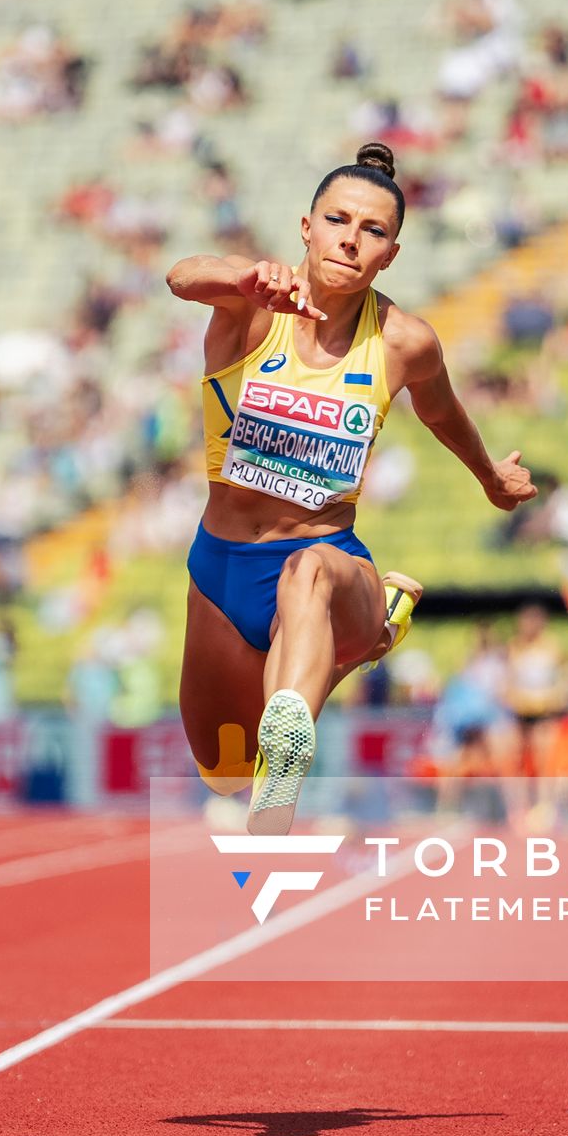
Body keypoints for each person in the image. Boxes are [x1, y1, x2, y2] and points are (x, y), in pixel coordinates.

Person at [165, 142, 537, 832]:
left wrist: (490, 475)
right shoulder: (253, 303)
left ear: (390, 254)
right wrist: (242, 276)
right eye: (337, 220)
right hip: (222, 568)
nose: (351, 240)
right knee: (223, 772)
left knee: (305, 575)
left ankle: (285, 778)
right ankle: (377, 631)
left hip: (327, 559)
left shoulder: (403, 342)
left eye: (373, 231)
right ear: (307, 227)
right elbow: (182, 275)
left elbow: (440, 411)